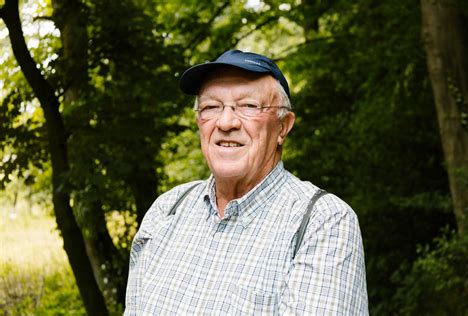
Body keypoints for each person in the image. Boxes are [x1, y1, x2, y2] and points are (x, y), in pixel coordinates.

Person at [125, 50, 368, 315]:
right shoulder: (168, 209)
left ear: (283, 127)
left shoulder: (322, 222)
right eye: (211, 107)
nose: (226, 122)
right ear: (199, 123)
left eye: (249, 106)